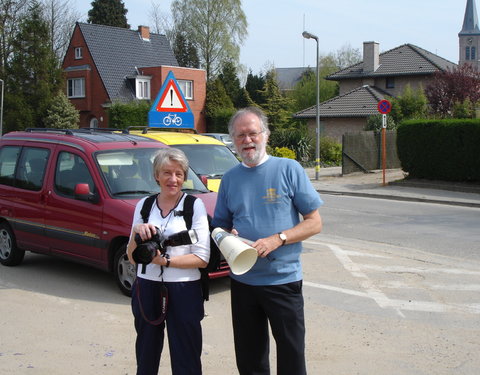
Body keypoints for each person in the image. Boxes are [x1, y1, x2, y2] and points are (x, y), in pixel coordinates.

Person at [211, 107, 323, 375]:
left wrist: (279, 239)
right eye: (240, 136)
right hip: (243, 282)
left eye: (253, 133)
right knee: (250, 360)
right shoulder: (229, 179)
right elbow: (219, 226)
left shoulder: (289, 169)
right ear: (233, 141)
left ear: (266, 135)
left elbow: (314, 222)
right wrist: (228, 238)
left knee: (292, 356)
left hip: (282, 281)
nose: (247, 140)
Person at [127, 148, 210, 375]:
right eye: (167, 173)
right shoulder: (144, 205)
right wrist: (136, 231)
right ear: (156, 175)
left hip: (184, 287)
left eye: (179, 174)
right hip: (146, 285)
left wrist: (164, 261)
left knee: (186, 352)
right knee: (146, 350)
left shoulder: (194, 206)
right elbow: (131, 256)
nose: (173, 179)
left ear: (184, 177)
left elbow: (202, 258)